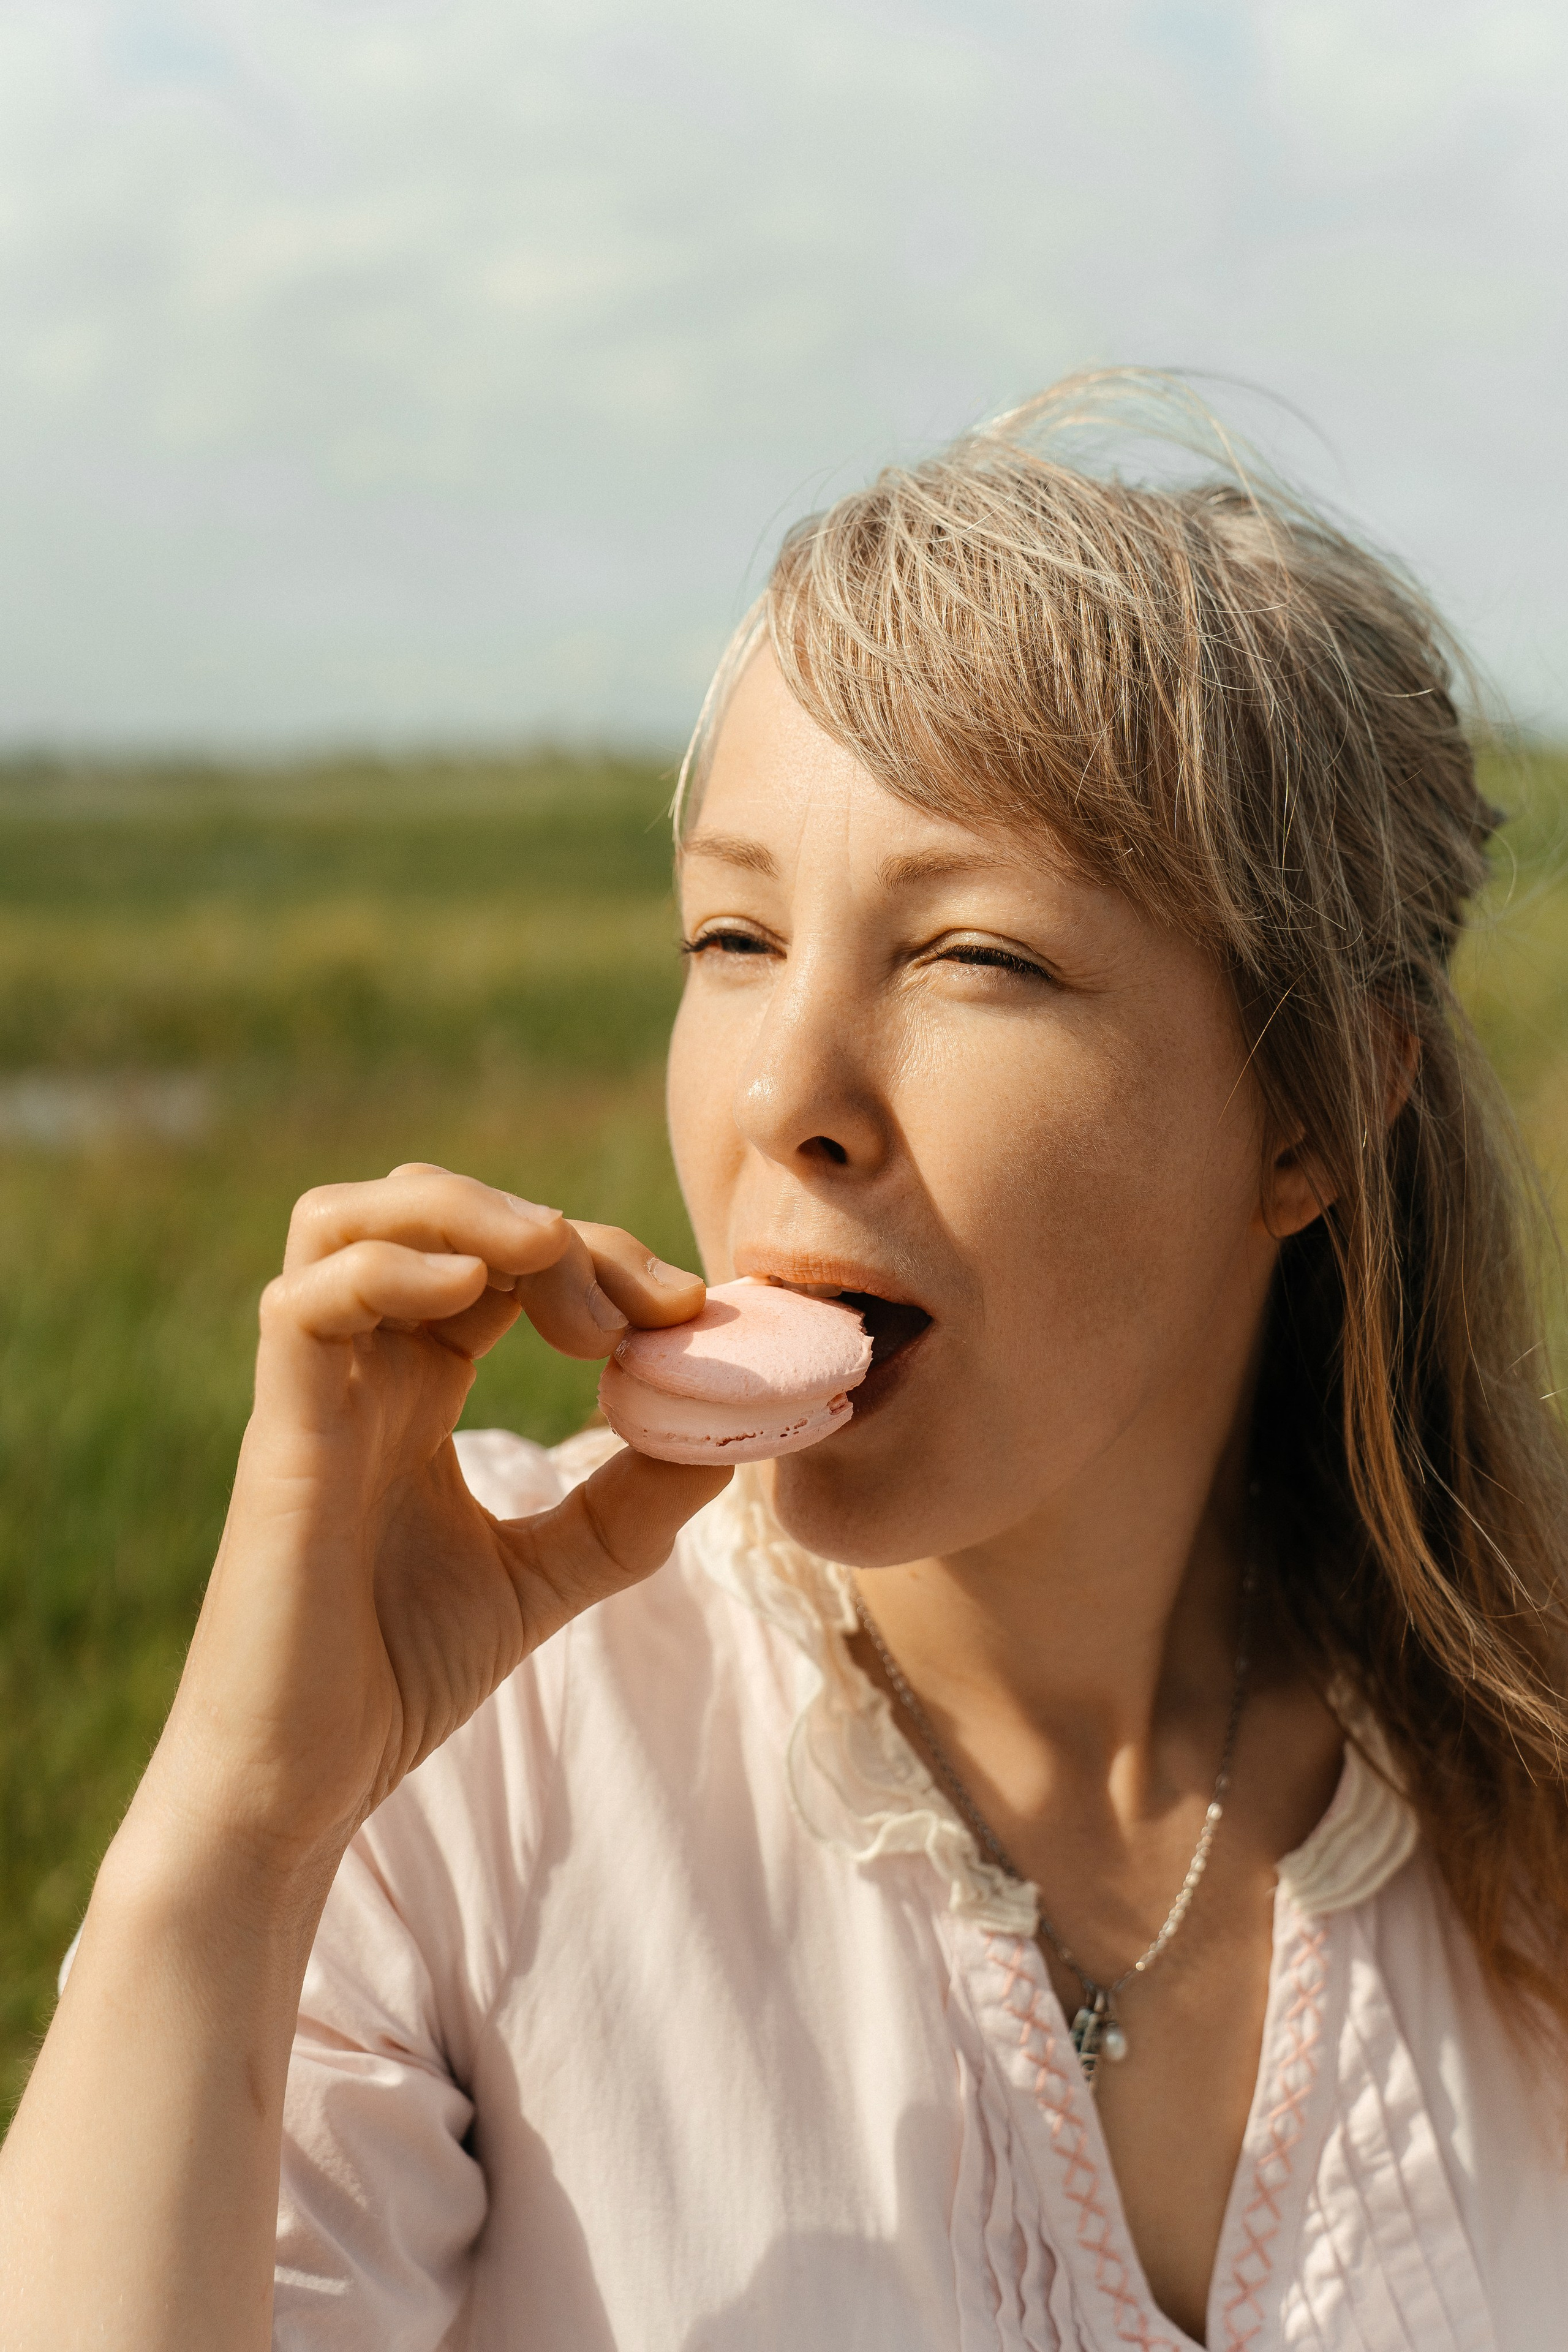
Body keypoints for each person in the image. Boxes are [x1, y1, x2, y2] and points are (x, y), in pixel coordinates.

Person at [4, 373, 1567, 2352]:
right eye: (732, 938)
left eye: (973, 956)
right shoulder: (482, 1721)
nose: (781, 1094)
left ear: (1316, 1112)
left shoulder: (1517, 1765)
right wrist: (237, 1835)